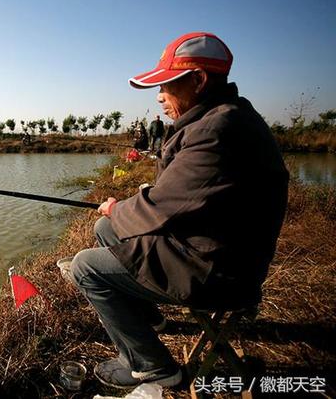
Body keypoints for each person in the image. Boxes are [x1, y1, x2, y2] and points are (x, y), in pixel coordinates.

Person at [70, 32, 288, 389]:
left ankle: (152, 366)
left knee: (86, 267)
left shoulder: (218, 130)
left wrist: (116, 207)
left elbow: (160, 206)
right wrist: (122, 211)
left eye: (168, 85)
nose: (159, 96)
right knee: (107, 230)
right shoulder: (222, 117)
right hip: (212, 245)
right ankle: (149, 318)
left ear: (199, 80)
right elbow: (183, 192)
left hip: (216, 269)